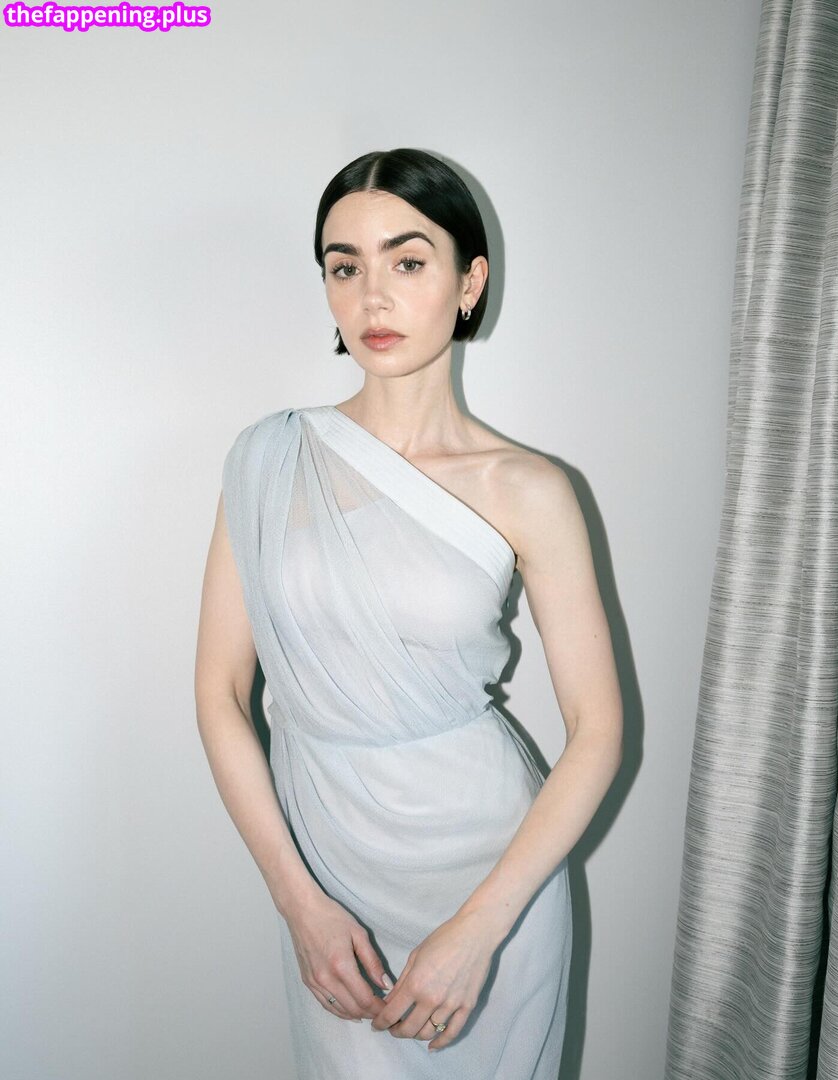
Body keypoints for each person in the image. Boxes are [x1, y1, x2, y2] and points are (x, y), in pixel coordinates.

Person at [194, 148, 623, 1078]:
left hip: (491, 882)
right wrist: (298, 902)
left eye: (409, 260)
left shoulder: (531, 488)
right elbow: (221, 694)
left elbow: (597, 731)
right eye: (345, 267)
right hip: (329, 877)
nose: (373, 296)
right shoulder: (266, 459)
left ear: (470, 282)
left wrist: (479, 930)